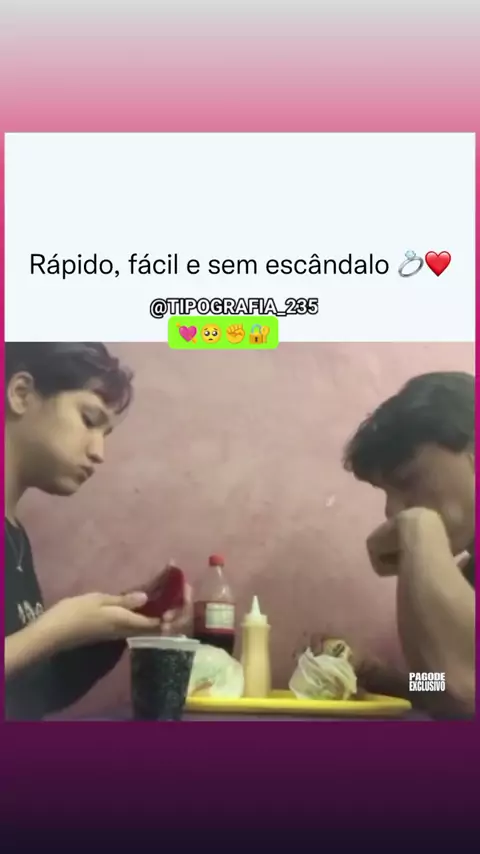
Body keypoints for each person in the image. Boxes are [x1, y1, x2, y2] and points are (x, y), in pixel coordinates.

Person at [4, 342, 191, 720]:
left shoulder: (14, 538)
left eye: (106, 434)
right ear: (22, 394)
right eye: (89, 420)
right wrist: (56, 629)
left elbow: (30, 695)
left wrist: (115, 625)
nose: (98, 452)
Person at [342, 371, 475, 719]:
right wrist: (384, 679)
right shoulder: (467, 575)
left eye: (409, 480)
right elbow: (438, 685)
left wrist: (421, 527)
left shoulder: (422, 530)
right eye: (386, 493)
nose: (392, 511)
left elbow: (464, 690)